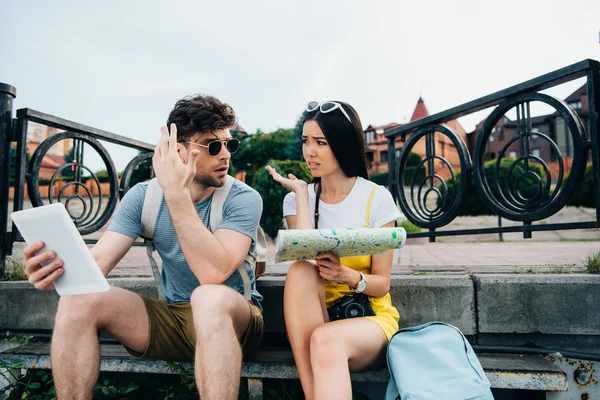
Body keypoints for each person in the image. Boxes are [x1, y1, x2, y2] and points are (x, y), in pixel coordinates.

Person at [23, 95, 264, 400]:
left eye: (230, 145)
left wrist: (176, 193)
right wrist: (53, 271)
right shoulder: (143, 197)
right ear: (179, 151)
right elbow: (96, 265)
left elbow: (214, 273)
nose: (226, 155)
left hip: (236, 320)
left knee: (209, 298)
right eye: (213, 146)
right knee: (78, 301)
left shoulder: (243, 198)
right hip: (173, 319)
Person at [266, 101, 402, 400]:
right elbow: (300, 254)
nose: (309, 151)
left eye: (320, 142)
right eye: (305, 141)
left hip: (367, 321)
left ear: (342, 144)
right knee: (301, 269)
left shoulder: (376, 199)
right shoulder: (295, 200)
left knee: (326, 340)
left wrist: (346, 274)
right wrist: (302, 195)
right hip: (315, 319)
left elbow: (382, 285)